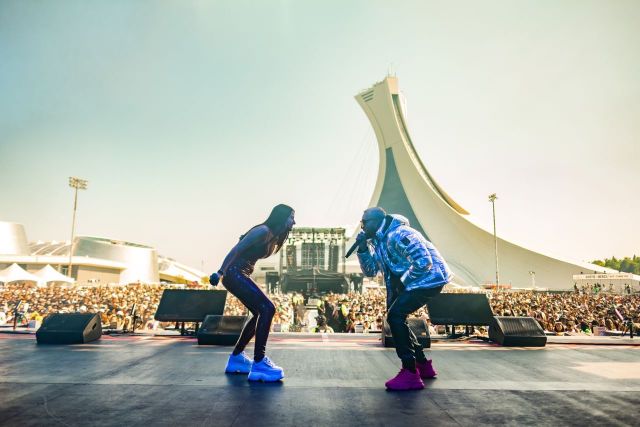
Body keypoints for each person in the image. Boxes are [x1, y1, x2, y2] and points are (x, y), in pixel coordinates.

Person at [355, 207, 451, 390]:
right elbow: (371, 271)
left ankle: (410, 372)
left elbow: (424, 262)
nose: (362, 226)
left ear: (376, 221)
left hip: (429, 278)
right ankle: (422, 365)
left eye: (364, 222)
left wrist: (402, 283)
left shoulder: (400, 233)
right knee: (397, 317)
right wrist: (362, 248)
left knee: (395, 316)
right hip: (413, 282)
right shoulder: (378, 241)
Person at [209, 204, 295, 382]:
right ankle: (259, 363)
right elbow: (236, 249)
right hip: (233, 273)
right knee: (268, 308)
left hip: (240, 273)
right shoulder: (263, 231)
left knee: (259, 312)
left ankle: (236, 359)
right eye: (291, 217)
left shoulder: (275, 236)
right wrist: (220, 272)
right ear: (281, 217)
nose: (294, 221)